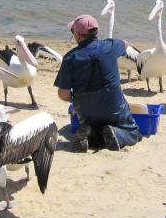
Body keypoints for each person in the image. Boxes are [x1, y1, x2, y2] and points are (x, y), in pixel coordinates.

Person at [55, 14, 141, 152]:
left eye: (73, 31)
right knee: (133, 132)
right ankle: (117, 134)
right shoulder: (111, 46)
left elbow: (63, 94)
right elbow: (125, 43)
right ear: (96, 32)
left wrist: (75, 97)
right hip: (113, 108)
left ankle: (90, 134)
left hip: (86, 111)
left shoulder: (70, 57)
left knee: (94, 128)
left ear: (77, 34)